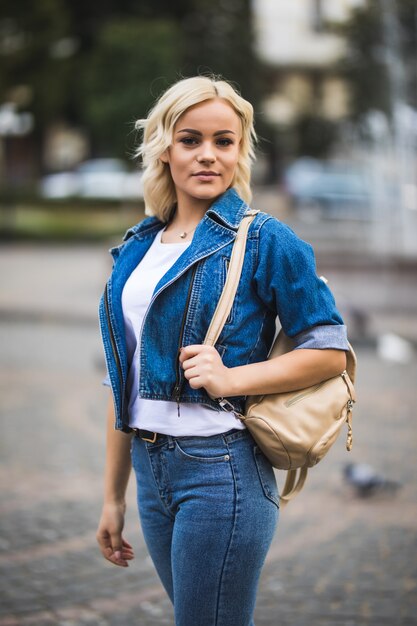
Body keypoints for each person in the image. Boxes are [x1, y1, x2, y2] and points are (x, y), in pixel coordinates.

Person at [96, 75, 349, 626]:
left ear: (240, 150)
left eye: (224, 141)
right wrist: (113, 495)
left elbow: (332, 351)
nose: (208, 155)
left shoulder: (264, 239)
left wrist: (233, 379)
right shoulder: (138, 247)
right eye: (190, 139)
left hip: (221, 472)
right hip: (150, 468)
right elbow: (123, 381)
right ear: (164, 148)